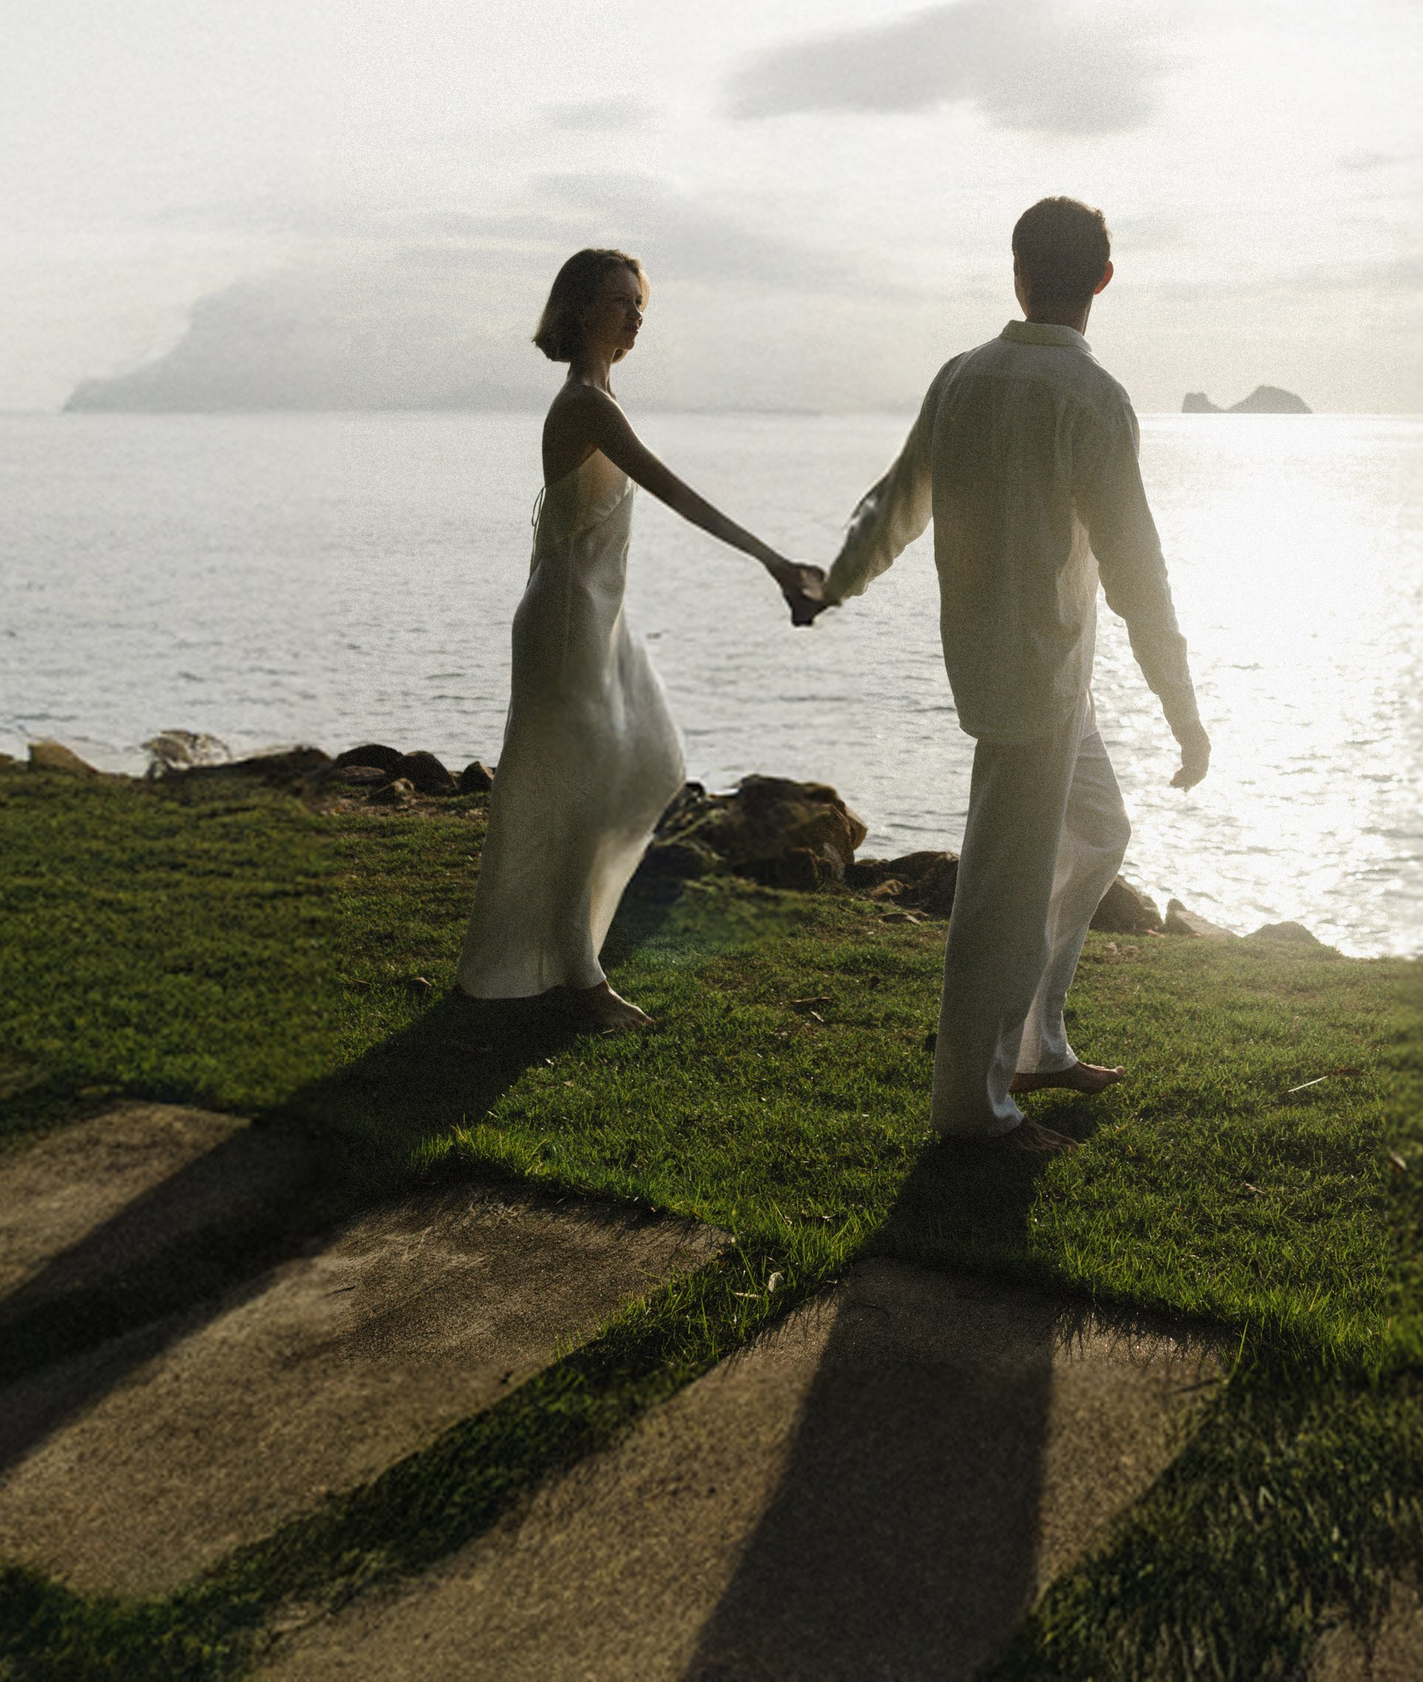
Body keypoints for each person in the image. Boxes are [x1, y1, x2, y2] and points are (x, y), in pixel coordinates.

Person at [815, 197, 1209, 1149]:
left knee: (1100, 828)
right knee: (1000, 890)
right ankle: (974, 1108)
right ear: (1102, 281)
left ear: (1017, 270)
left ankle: (1036, 1041)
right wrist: (1184, 710)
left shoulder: (963, 377)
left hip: (1041, 669)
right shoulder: (1093, 399)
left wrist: (834, 583)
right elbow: (1137, 571)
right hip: (1033, 675)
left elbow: (892, 505)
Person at [455, 246, 828, 1028]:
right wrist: (774, 560)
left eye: (641, 304)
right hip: (566, 623)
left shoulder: (598, 396)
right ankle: (580, 978)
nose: (636, 315)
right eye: (622, 300)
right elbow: (675, 490)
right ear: (582, 307)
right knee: (576, 790)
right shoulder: (586, 403)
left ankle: (567, 957)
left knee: (650, 761)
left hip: (597, 618)